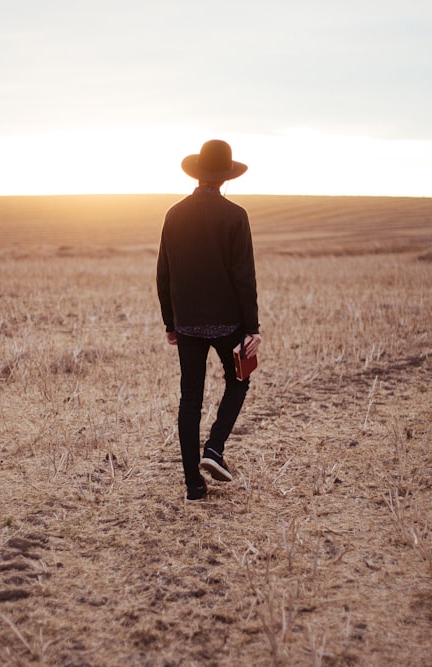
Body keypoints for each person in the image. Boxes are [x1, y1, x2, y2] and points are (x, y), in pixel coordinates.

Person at [156, 139, 262, 502]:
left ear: (198, 174)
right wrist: (253, 328)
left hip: (187, 324)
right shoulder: (236, 215)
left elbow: (163, 274)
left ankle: (193, 486)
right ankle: (214, 449)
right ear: (225, 177)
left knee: (190, 398)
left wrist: (170, 322)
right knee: (240, 381)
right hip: (229, 323)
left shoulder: (174, 214)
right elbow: (243, 277)